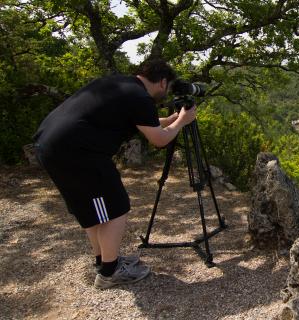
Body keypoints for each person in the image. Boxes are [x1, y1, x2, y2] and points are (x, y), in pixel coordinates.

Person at [33, 59, 197, 289]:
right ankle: (110, 273)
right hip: (78, 153)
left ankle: (105, 262)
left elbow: (141, 121)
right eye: (167, 87)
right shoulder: (141, 98)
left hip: (51, 144)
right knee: (116, 208)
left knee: (93, 210)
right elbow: (160, 139)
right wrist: (182, 121)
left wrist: (170, 120)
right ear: (162, 82)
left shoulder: (118, 84)